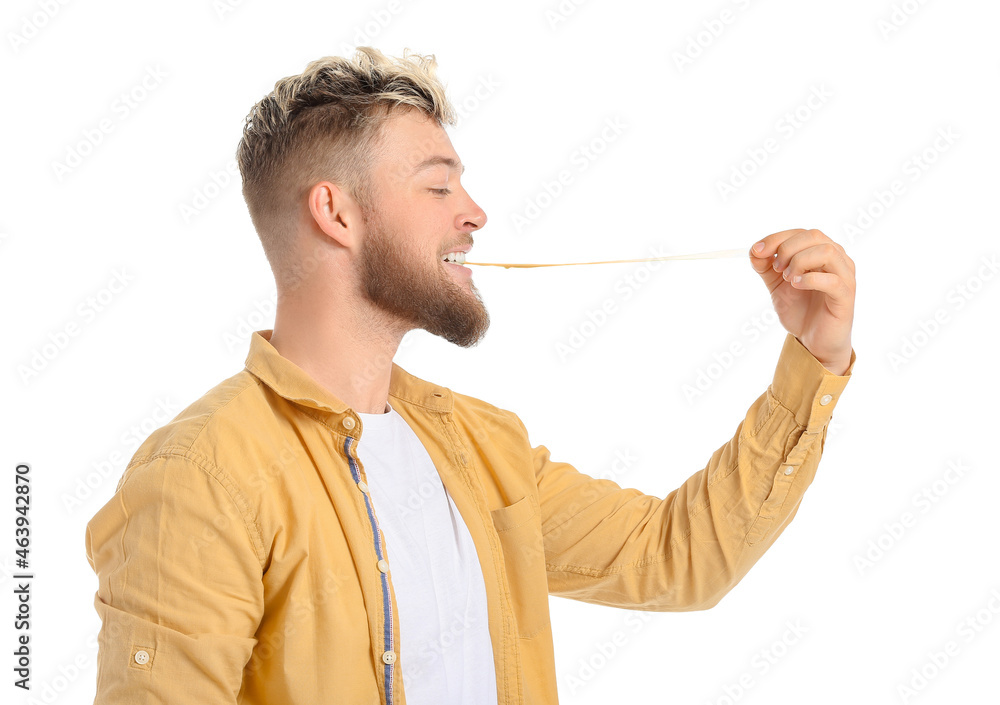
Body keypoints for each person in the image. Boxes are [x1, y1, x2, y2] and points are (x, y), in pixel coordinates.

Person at [84, 46, 856, 704]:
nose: (476, 212)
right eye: (438, 184)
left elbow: (678, 558)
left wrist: (814, 358)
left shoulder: (481, 449)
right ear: (337, 213)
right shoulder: (201, 476)